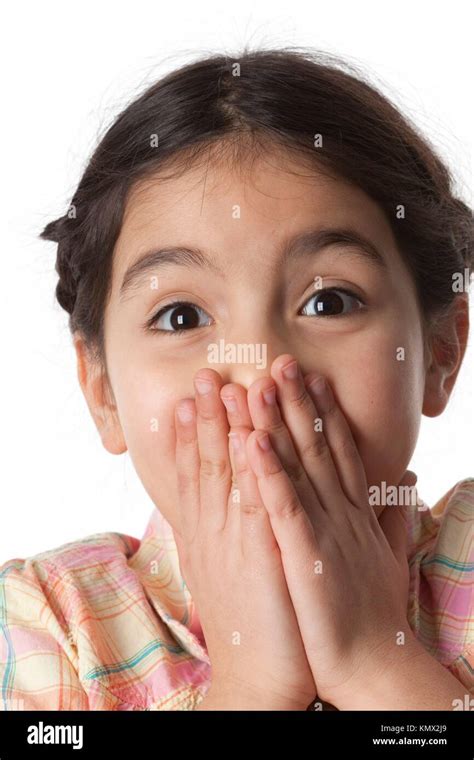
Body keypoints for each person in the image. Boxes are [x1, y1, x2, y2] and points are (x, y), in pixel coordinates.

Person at [1, 47, 472, 711]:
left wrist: (373, 660)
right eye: (181, 315)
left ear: (442, 351)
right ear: (102, 391)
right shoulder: (47, 629)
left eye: (329, 301)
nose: (256, 373)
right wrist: (254, 688)